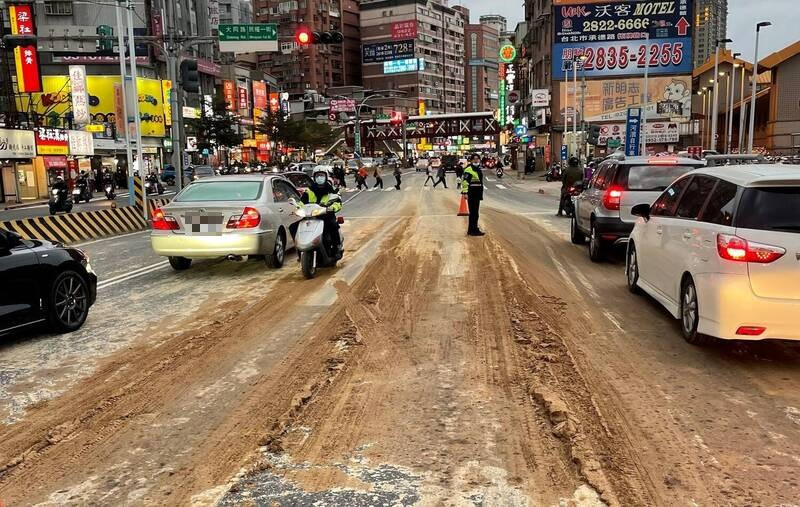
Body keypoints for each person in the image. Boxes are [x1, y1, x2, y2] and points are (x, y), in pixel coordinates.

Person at [299, 169, 343, 258]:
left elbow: (338, 202)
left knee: (333, 225)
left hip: (326, 215)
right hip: (311, 217)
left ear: (326, 177)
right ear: (314, 177)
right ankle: (299, 252)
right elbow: (301, 202)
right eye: (317, 176)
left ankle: (336, 248)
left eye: (321, 175)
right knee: (294, 227)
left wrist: (332, 208)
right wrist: (298, 208)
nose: (319, 177)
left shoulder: (332, 189)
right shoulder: (309, 191)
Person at [461, 153, 485, 236]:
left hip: (477, 193)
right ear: (471, 160)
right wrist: (465, 192)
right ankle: (473, 230)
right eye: (474, 159)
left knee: (475, 213)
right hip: (472, 193)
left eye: (477, 159)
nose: (476, 160)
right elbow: (464, 182)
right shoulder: (469, 170)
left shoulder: (477, 169)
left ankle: (473, 229)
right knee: (474, 213)